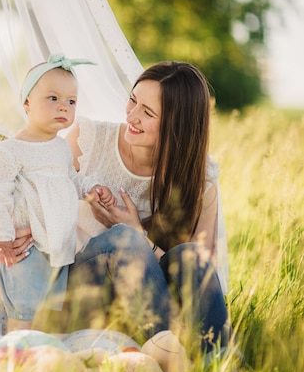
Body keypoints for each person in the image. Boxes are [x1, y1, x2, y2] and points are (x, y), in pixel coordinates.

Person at [13, 60, 230, 356]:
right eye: (132, 100)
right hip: (80, 287)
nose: (132, 115)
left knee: (190, 255)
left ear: (176, 126)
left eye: (148, 112)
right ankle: (173, 358)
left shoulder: (199, 176)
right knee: (121, 241)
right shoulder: (89, 140)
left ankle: (219, 365)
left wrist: (139, 234)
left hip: (150, 300)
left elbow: (205, 276)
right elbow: (33, 195)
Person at [0, 53, 116, 333]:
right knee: (24, 305)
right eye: (53, 98)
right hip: (25, 245)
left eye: (71, 101)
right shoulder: (10, 151)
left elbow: (69, 179)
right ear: (27, 103)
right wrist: (2, 236)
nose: (63, 107)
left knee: (47, 310)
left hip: (56, 244)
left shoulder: (60, 148)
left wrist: (91, 188)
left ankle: (39, 352)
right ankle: (15, 349)